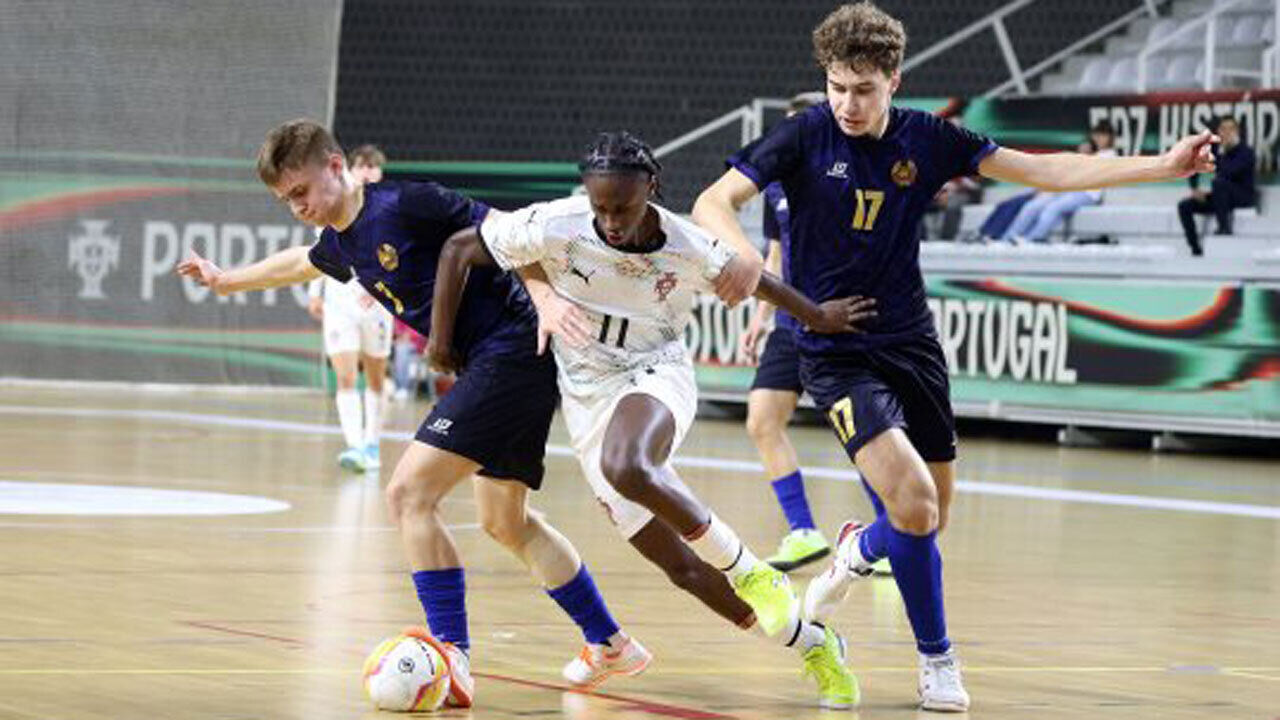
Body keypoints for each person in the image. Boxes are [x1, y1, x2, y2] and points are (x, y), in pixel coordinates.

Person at [691, 3, 1216, 711]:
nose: (848, 103)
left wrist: (1162, 164)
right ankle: (938, 661)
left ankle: (856, 550)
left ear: (894, 81)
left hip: (912, 343)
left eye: (864, 89)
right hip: (835, 352)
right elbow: (713, 199)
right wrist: (746, 256)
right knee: (911, 503)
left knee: (927, 516)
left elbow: (1047, 172)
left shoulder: (929, 138)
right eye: (838, 86)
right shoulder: (804, 134)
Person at [176, 119, 653, 707]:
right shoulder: (341, 239)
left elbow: (509, 233)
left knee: (407, 494)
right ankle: (610, 642)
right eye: (285, 200)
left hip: (510, 349)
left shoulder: (407, 202)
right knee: (505, 522)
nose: (296, 207)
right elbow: (302, 260)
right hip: (501, 362)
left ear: (335, 166)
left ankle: (451, 656)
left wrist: (547, 299)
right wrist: (226, 282)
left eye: (300, 192)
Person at [430, 131, 876, 709]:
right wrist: (439, 343)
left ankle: (754, 571)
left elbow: (752, 278)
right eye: (601, 208)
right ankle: (814, 642)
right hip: (586, 395)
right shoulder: (556, 222)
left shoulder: (689, 245)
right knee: (686, 571)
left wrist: (816, 316)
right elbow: (457, 250)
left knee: (628, 462)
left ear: (651, 189)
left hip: (654, 372)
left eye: (623, 207)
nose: (611, 221)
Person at [740, 91, 870, 573]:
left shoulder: (856, 175)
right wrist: (760, 317)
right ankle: (803, 532)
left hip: (839, 318)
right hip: (791, 318)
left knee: (865, 434)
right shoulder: (777, 186)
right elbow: (774, 254)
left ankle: (889, 535)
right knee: (762, 420)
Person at [305, 144, 393, 471]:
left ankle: (372, 444)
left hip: (377, 305)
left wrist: (381, 285)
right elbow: (319, 252)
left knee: (375, 378)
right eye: (362, 166)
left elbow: (400, 253)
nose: (368, 172)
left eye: (374, 168)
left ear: (380, 174)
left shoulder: (388, 207)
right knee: (344, 376)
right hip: (340, 302)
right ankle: (355, 447)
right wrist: (315, 290)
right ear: (350, 170)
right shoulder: (331, 206)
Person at [998, 120, 1118, 245]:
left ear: (1110, 138)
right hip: (1070, 190)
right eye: (1097, 135)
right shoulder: (1092, 153)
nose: (1099, 139)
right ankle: (1007, 239)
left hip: (1089, 194)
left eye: (1103, 136)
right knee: (1033, 206)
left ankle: (1033, 238)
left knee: (1052, 208)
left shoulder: (1110, 155)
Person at [1178, 115, 1257, 256]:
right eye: (1223, 129)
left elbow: (1228, 172)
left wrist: (1222, 152)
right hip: (1221, 197)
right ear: (1218, 132)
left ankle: (1224, 227)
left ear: (1237, 131)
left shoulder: (1246, 152)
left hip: (1243, 197)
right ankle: (1195, 248)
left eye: (1231, 129)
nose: (1227, 132)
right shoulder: (1216, 150)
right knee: (1185, 206)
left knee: (1219, 183)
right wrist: (1195, 188)